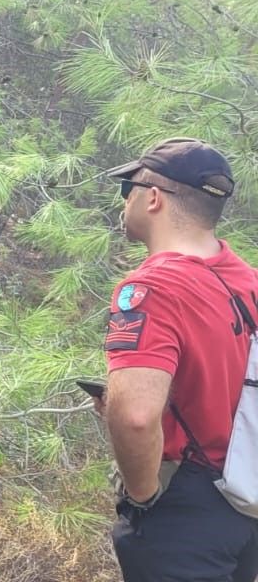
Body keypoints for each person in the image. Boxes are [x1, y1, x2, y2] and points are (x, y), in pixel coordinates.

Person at [99, 138, 258, 580]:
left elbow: (134, 417)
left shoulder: (155, 288)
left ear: (152, 198)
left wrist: (143, 496)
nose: (125, 198)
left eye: (127, 187)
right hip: (245, 502)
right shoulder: (250, 282)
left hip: (185, 511)